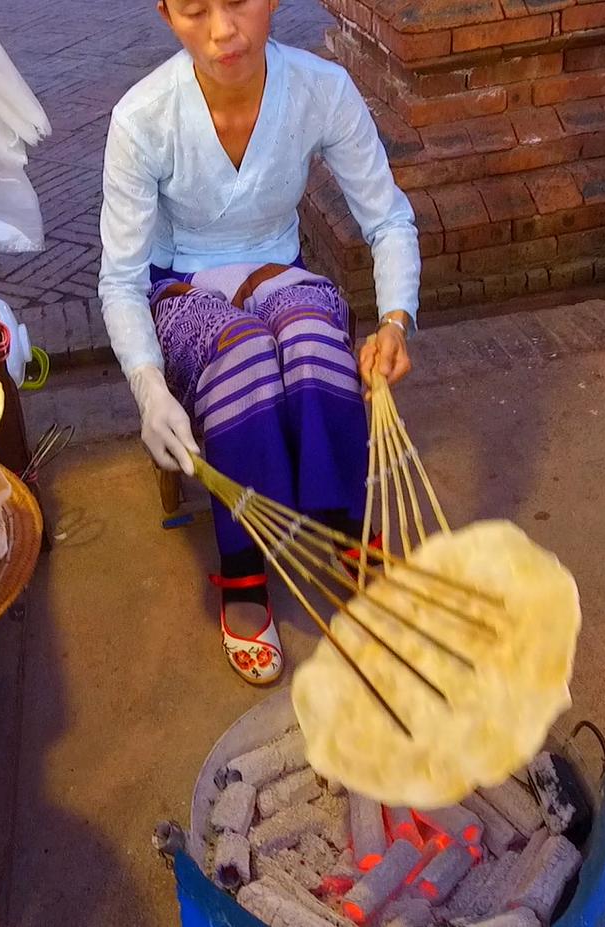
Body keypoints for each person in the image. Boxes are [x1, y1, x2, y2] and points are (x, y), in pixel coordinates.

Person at [98, 0, 421, 684]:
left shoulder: (320, 90)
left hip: (276, 267)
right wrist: (147, 387)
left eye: (238, 1)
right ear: (164, 13)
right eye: (192, 10)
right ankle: (244, 573)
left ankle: (340, 529)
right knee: (242, 352)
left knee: (310, 336)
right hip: (180, 283)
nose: (221, 32)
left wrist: (395, 319)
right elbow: (121, 279)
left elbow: (387, 218)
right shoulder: (143, 118)